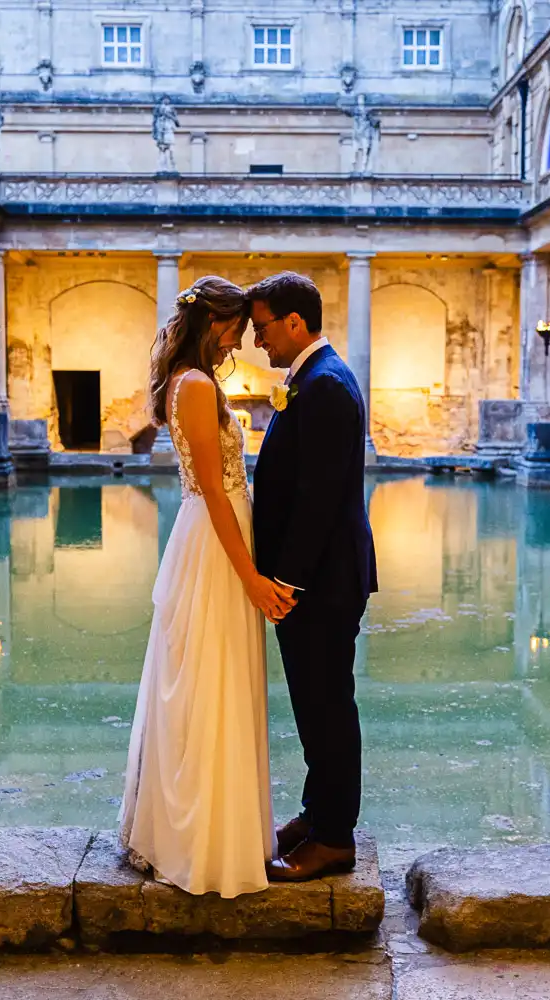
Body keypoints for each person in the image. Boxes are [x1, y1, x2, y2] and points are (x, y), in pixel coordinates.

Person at [118, 276, 295, 898]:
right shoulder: (194, 386)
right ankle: (200, 840)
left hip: (220, 531)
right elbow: (215, 491)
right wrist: (251, 578)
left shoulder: (199, 383)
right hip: (215, 541)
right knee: (207, 682)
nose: (240, 341)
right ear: (212, 323)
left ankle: (224, 829)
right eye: (236, 329)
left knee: (217, 679)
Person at [248, 271, 378, 881]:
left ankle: (334, 838)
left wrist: (287, 584)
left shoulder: (325, 385)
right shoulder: (314, 379)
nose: (257, 342)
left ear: (294, 323)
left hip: (320, 584)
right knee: (314, 704)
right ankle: (317, 811)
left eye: (263, 328)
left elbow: (319, 499)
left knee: (327, 707)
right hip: (315, 580)